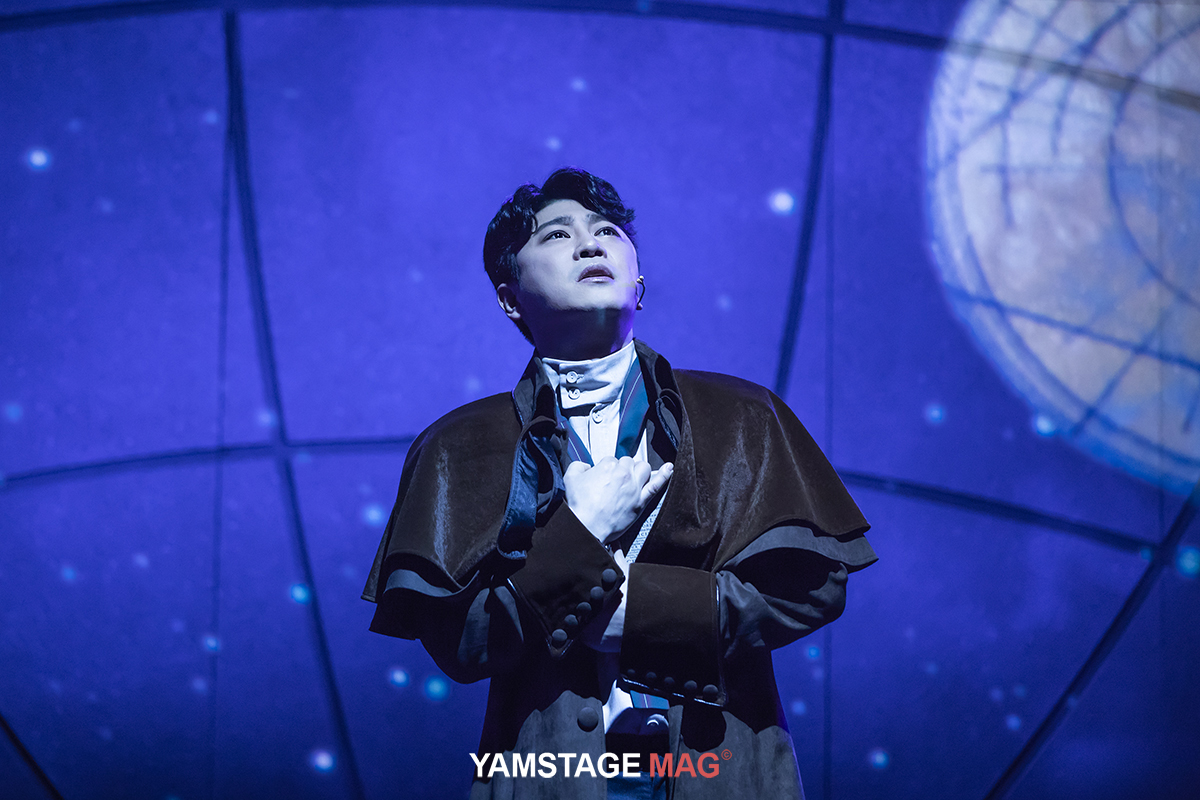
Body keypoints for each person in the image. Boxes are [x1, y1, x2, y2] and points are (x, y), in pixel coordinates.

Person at [363, 167, 876, 799]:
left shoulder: (741, 415)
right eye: (556, 235)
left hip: (721, 774)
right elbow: (463, 643)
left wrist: (642, 616)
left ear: (639, 283)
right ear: (509, 297)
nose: (589, 244)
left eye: (608, 231)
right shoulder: (461, 445)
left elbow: (810, 588)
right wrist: (581, 532)